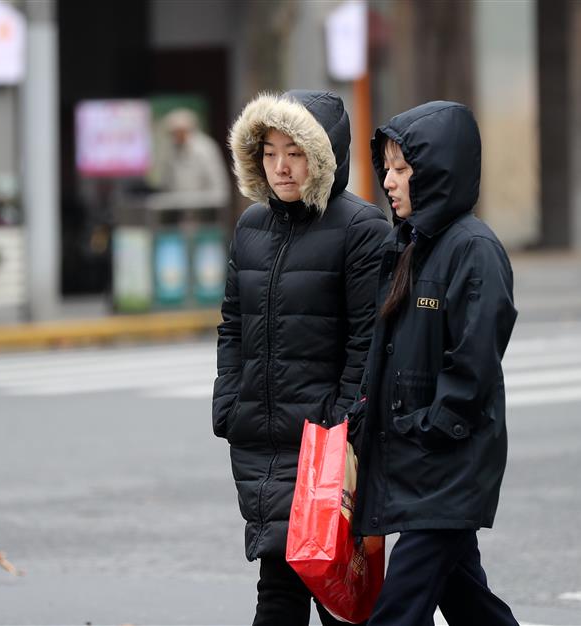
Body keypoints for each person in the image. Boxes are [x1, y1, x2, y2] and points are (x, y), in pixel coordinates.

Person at [213, 90, 389, 625]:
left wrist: (340, 423)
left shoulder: (361, 229)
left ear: (324, 154)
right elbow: (233, 325)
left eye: (295, 151)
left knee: (321, 589)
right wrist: (228, 401)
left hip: (322, 446)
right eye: (269, 152)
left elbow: (368, 338)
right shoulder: (251, 228)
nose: (281, 167)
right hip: (261, 438)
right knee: (286, 578)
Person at [347, 101, 520, 626]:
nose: (389, 180)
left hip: (446, 461)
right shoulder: (410, 246)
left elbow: (474, 362)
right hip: (422, 461)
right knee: (469, 602)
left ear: (438, 171)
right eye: (388, 168)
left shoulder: (473, 249)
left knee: (398, 610)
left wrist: (432, 426)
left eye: (403, 169)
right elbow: (388, 352)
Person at [147, 107, 231, 213]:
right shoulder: (170, 150)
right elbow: (163, 183)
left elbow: (219, 188)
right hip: (177, 212)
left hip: (205, 211)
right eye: (172, 133)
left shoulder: (205, 148)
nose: (174, 136)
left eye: (177, 132)